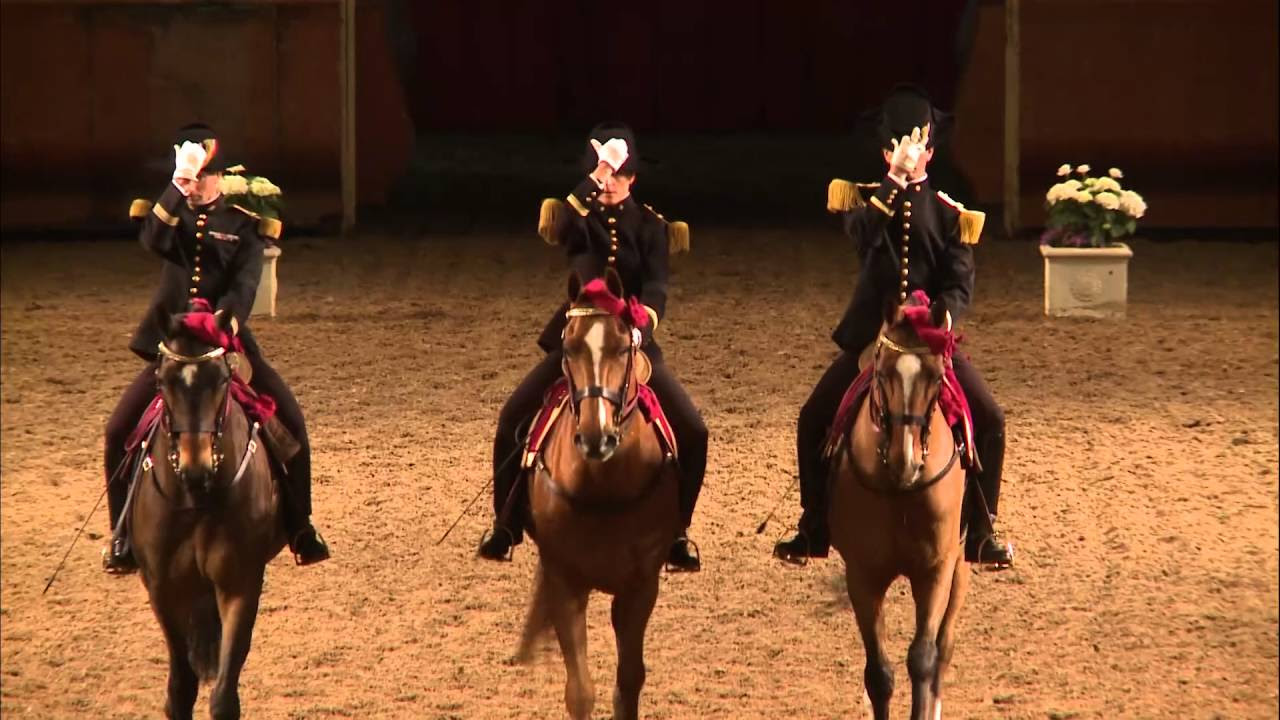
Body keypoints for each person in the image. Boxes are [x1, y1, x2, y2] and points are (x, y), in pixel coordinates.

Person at [773, 87, 1013, 568]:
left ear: (931, 151)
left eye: (920, 146)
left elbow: (959, 281)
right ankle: (813, 524)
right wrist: (894, 181)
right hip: (872, 337)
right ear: (887, 152)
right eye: (901, 146)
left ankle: (982, 532)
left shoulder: (950, 213)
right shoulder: (865, 201)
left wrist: (943, 315)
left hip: (928, 341)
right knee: (814, 415)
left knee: (989, 419)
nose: (913, 153)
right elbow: (862, 238)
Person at [477, 122, 708, 572]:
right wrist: (594, 174)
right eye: (604, 176)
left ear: (634, 179)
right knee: (512, 417)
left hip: (629, 340)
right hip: (579, 341)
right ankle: (505, 524)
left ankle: (678, 530)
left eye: (618, 175)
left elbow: (658, 286)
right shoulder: (579, 221)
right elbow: (561, 223)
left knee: (693, 431)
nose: (610, 184)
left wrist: (644, 323)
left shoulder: (654, 227)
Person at [103, 123, 329, 573]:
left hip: (225, 343)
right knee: (116, 433)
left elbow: (244, 287)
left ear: (220, 176)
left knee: (293, 424)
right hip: (171, 347)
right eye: (188, 175)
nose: (194, 185)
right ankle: (122, 535)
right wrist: (175, 184)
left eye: (200, 175)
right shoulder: (170, 215)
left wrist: (221, 324)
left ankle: (300, 526)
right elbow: (154, 241)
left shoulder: (242, 224)